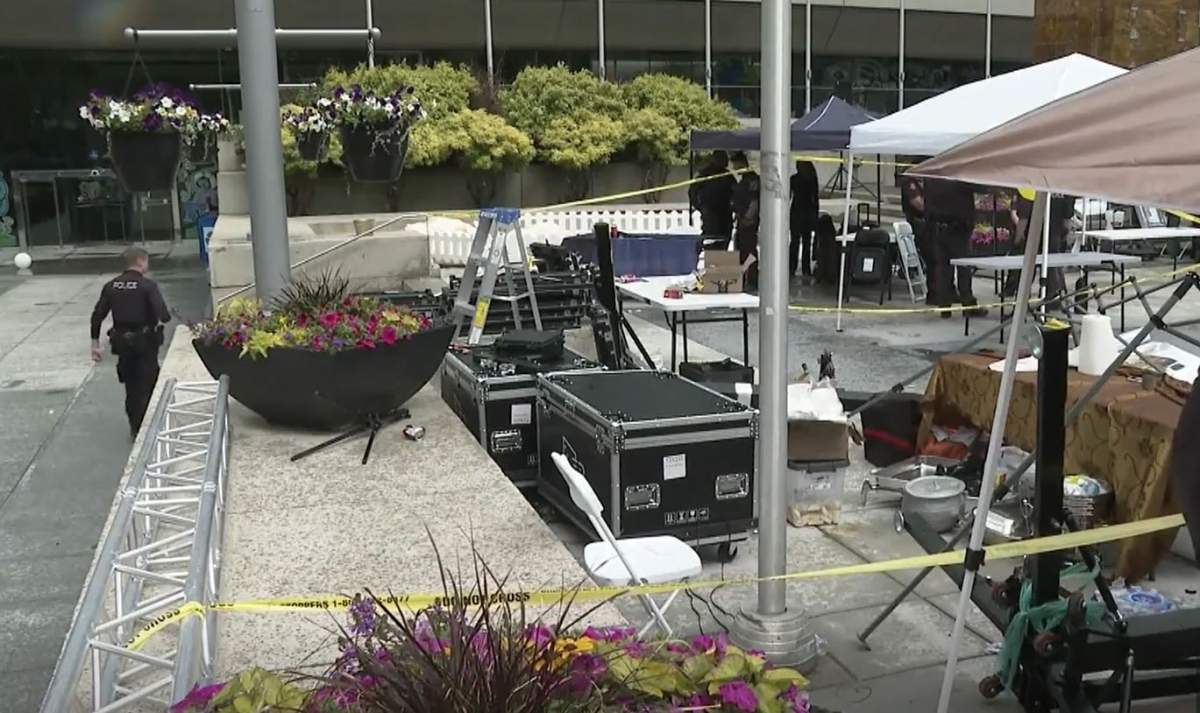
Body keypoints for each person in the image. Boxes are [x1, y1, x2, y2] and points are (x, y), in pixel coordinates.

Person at [90, 247, 171, 438]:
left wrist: (95, 344)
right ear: (141, 261)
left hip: (122, 343)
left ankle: (135, 426)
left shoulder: (111, 286)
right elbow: (164, 315)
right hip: (145, 342)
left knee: (131, 386)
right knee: (149, 382)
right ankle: (150, 425)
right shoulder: (147, 286)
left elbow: (97, 316)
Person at [924, 177, 985, 318]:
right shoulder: (958, 176)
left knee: (943, 268)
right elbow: (980, 187)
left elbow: (928, 204)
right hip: (958, 228)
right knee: (963, 267)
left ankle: (944, 306)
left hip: (939, 227)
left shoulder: (933, 177)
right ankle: (967, 304)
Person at [899, 164, 936, 304]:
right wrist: (935, 207)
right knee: (932, 258)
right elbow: (918, 204)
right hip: (919, 225)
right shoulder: (909, 183)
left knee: (937, 259)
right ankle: (934, 292)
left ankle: (943, 289)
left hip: (929, 223)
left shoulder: (924, 182)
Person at [688, 150, 735, 242]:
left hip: (725, 214)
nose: (726, 161)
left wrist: (733, 206)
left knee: (724, 239)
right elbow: (692, 192)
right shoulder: (705, 174)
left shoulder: (728, 175)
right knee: (710, 240)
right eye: (724, 159)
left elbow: (735, 192)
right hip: (710, 214)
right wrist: (700, 207)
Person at [729, 152, 761, 288]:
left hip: (749, 220)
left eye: (735, 164)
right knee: (741, 250)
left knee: (749, 250)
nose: (734, 167)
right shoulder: (743, 180)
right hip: (741, 218)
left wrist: (749, 216)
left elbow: (755, 200)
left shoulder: (752, 179)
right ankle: (744, 277)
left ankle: (752, 278)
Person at [789, 160, 820, 278]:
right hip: (808, 213)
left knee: (795, 241)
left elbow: (788, 195)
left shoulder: (794, 179)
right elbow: (815, 199)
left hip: (796, 212)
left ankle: (792, 267)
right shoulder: (812, 180)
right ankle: (806, 269)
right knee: (806, 242)